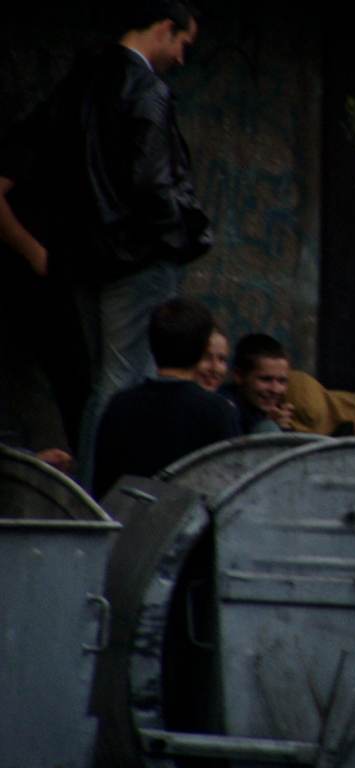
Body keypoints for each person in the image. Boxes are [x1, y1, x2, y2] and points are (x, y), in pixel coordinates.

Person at [0, 1, 212, 491]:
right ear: (165, 28)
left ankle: (95, 493)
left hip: (85, 261)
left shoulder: (79, 85)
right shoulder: (147, 91)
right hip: (137, 257)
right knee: (127, 381)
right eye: (183, 44)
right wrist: (187, 232)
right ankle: (109, 498)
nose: (182, 58)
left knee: (106, 382)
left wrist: (44, 252)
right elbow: (153, 183)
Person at [93, 298, 240, 498]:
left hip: (128, 515)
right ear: (201, 349)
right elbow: (229, 490)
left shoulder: (120, 405)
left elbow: (102, 485)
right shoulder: (218, 411)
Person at [219, 333, 294, 434]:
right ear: (239, 376)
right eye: (266, 379)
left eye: (282, 381)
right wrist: (267, 427)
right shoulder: (223, 410)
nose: (275, 389)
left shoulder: (279, 412)